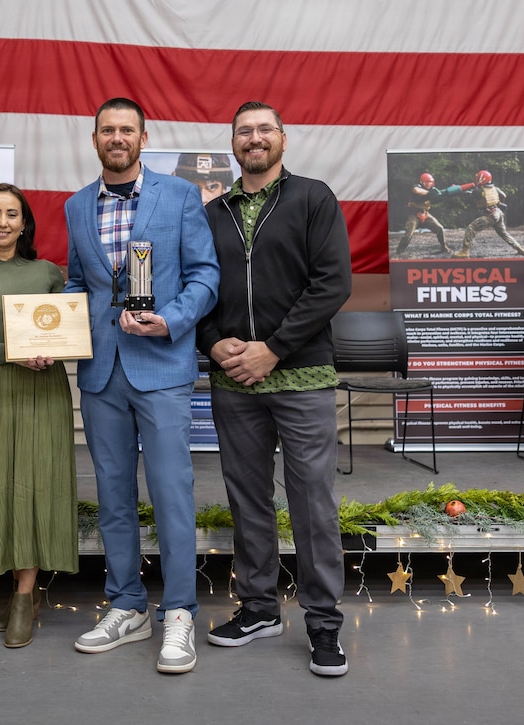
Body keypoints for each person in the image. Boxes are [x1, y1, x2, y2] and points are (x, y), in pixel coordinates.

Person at [195, 100, 352, 677]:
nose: (254, 138)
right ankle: (258, 608)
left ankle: (323, 624)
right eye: (244, 131)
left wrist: (274, 348)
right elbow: (197, 288)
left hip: (301, 375)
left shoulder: (313, 198)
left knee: (312, 502)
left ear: (283, 138)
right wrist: (213, 345)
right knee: (248, 499)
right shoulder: (214, 213)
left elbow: (332, 282)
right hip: (233, 379)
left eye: (264, 129)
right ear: (232, 143)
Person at [65, 97, 219, 674]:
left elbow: (206, 274)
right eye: (107, 129)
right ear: (95, 138)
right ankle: (127, 604)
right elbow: (80, 284)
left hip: (161, 368)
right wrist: (43, 331)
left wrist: (174, 319)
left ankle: (179, 611)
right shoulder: (77, 206)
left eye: (126, 130)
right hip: (102, 372)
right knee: (113, 497)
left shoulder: (178, 196)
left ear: (143, 137)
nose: (117, 138)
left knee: (172, 493)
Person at [0, 183, 79, 648]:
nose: (3, 221)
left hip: (45, 391)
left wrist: (48, 351)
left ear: (25, 223)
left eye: (12, 214)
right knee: (3, 486)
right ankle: (14, 587)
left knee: (38, 484)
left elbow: (70, 331)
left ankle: (25, 595)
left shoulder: (48, 273)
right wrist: (13, 352)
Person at [453, 169, 524, 258]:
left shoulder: (479, 190)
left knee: (471, 228)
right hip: (498, 213)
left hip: (490, 215)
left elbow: (470, 199)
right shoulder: (494, 188)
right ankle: (520, 249)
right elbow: (504, 195)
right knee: (504, 233)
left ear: (482, 179)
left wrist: (461, 192)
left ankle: (464, 251)